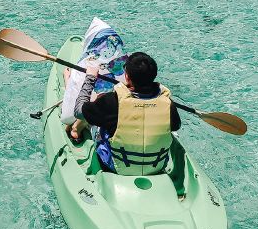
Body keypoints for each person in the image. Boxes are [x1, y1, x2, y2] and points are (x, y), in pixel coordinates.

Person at [73, 51, 186, 198]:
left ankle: (76, 129)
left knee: (96, 113)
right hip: (156, 166)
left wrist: (90, 78)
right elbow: (176, 126)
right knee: (169, 132)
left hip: (117, 166)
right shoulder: (168, 104)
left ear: (127, 76)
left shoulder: (111, 102)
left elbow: (78, 110)